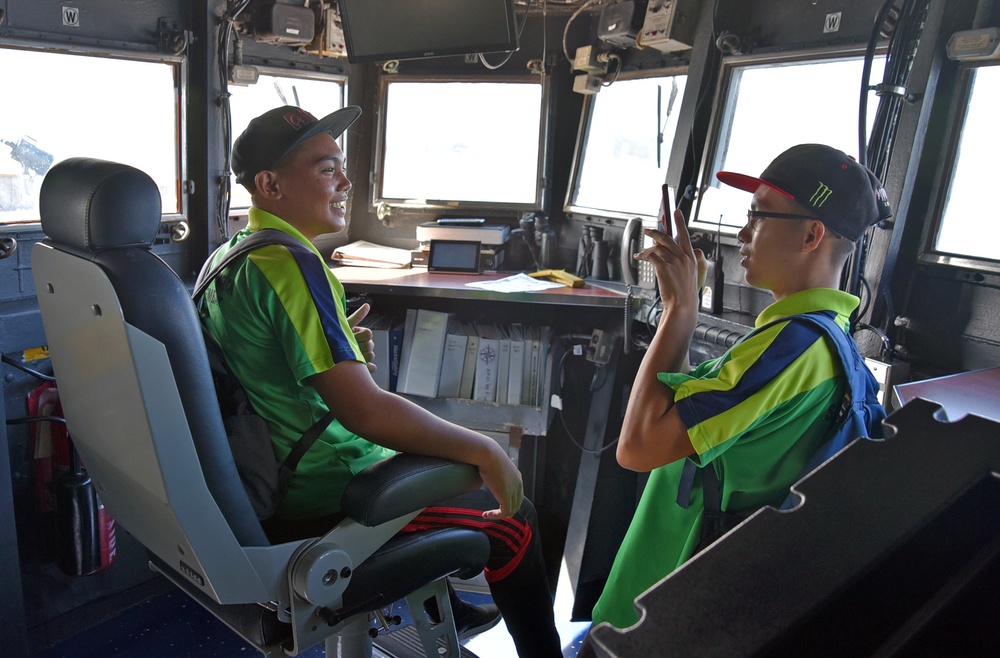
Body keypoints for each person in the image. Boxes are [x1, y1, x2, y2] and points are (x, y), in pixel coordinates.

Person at [199, 104, 561, 657]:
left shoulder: (229, 258)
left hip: (277, 468)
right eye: (326, 169)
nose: (345, 182)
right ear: (270, 185)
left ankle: (448, 605)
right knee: (516, 519)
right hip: (325, 489)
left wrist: (344, 359)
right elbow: (366, 413)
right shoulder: (292, 265)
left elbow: (267, 378)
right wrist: (485, 447)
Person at [588, 144, 892, 633]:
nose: (742, 233)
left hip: (660, 613)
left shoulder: (789, 348)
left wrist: (680, 311)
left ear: (811, 234)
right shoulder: (827, 340)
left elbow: (638, 447)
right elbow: (680, 411)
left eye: (759, 216)